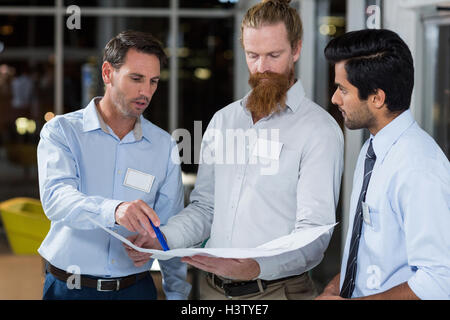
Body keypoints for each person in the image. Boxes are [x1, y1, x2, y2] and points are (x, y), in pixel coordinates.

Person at [126, 0, 344, 300]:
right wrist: (162, 239)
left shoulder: (318, 130)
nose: (262, 67)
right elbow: (206, 208)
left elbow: (314, 234)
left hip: (276, 292)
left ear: (296, 49)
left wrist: (256, 267)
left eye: (273, 55)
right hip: (212, 290)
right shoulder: (224, 120)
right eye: (252, 55)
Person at [37, 30, 191, 300]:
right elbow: (56, 199)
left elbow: (170, 225)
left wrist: (177, 292)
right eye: (136, 79)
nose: (146, 91)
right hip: (70, 290)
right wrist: (115, 210)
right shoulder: (62, 132)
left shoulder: (163, 145)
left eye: (154, 81)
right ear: (107, 73)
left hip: (136, 290)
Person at [316, 29, 450, 300]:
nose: (334, 99)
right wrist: (332, 291)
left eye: (343, 89)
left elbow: (440, 281)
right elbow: (365, 255)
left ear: (377, 98)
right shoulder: (372, 150)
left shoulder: (419, 167)